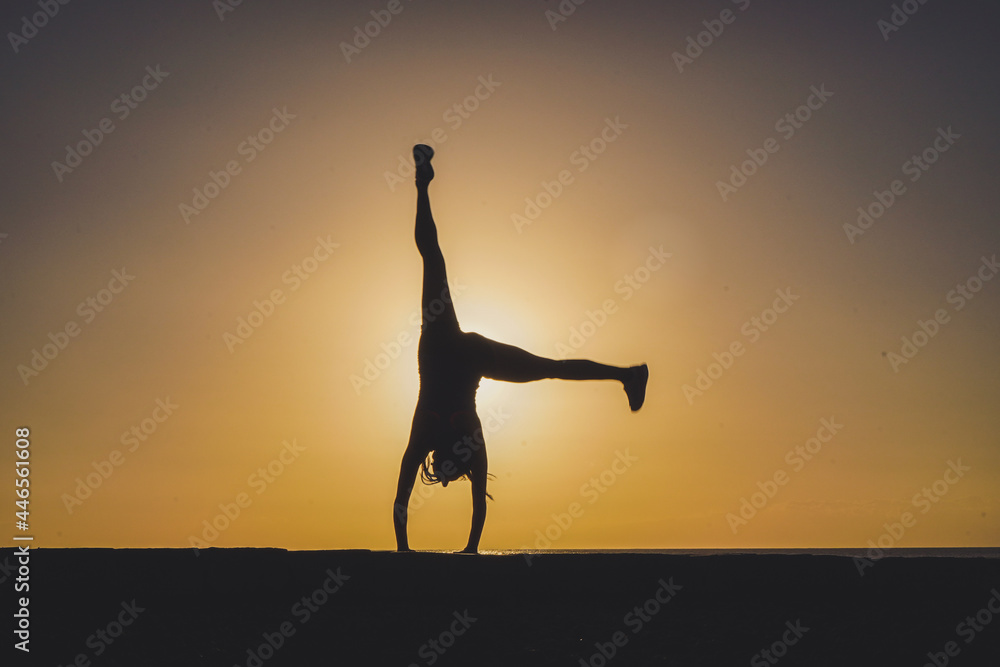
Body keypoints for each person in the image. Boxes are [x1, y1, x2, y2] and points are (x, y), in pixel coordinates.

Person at [393, 144, 648, 554]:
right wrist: (432, 549)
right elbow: (404, 502)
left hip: (459, 350)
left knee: (550, 366)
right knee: (433, 260)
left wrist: (449, 550)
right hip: (452, 346)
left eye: (439, 474)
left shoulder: (457, 441)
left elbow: (461, 505)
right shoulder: (437, 438)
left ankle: (627, 374)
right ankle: (627, 375)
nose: (441, 476)